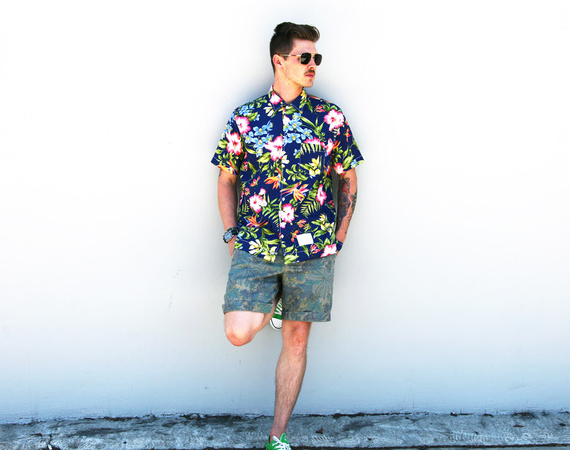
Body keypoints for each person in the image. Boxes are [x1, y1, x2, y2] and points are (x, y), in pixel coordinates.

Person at [211, 22, 363, 450]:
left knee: (296, 339)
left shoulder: (329, 117)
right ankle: (273, 302)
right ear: (279, 60)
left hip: (313, 250)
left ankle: (277, 437)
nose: (313, 65)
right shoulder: (246, 117)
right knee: (238, 331)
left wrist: (339, 237)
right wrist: (231, 235)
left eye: (317, 58)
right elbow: (226, 179)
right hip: (255, 247)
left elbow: (348, 179)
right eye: (305, 57)